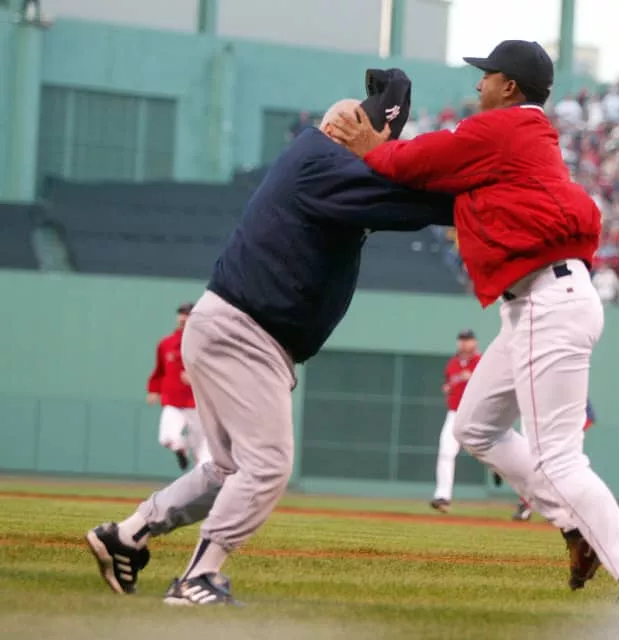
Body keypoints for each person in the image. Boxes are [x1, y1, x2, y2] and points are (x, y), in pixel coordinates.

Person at [329, 40, 619, 634]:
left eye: (487, 76)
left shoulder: (506, 128)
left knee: (560, 458)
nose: (479, 86)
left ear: (510, 87)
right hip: (534, 303)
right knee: (475, 428)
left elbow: (413, 161)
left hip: (551, 300)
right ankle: (573, 525)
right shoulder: (516, 135)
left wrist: (372, 145)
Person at [84, 69, 458, 606]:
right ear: (342, 127)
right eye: (376, 136)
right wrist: (475, 193)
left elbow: (395, 191)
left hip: (232, 325)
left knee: (226, 468)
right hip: (246, 331)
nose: (379, 148)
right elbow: (410, 202)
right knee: (267, 465)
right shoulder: (325, 162)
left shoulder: (321, 159)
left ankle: (127, 536)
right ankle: (196, 578)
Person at [510, 398, 597, 523]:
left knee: (563, 475)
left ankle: (573, 510)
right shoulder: (529, 389)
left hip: (560, 443)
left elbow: (589, 417)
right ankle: (526, 506)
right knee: (532, 471)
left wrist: (569, 433)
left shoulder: (569, 389)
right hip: (535, 442)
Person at [146, 302, 209, 470]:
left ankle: (205, 490)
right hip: (173, 401)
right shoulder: (166, 344)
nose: (183, 317)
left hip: (198, 405)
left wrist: (196, 378)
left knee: (203, 455)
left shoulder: (205, 344)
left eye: (187, 314)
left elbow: (217, 373)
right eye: (181, 314)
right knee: (167, 437)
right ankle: (180, 448)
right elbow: (159, 370)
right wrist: (153, 390)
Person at [431, 329, 481, 513]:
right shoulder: (452, 363)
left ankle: (499, 472)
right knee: (446, 452)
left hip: (477, 415)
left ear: (474, 342)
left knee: (492, 453)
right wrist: (448, 387)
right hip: (454, 414)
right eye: (461, 339)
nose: (464, 343)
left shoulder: (481, 362)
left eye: (468, 339)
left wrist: (473, 378)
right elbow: (448, 382)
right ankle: (442, 496)